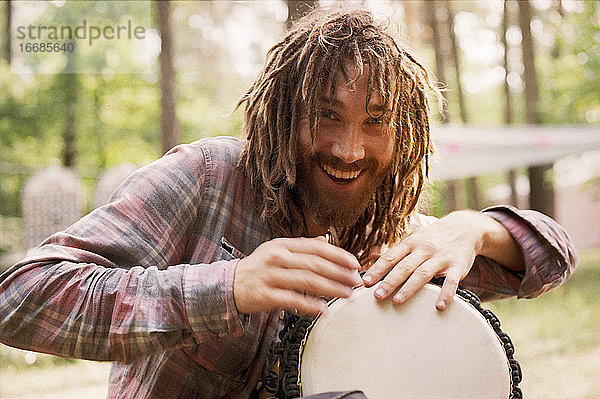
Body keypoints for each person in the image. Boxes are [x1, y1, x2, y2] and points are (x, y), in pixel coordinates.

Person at [0, 7, 577, 399]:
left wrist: (472, 230)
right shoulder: (205, 179)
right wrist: (225, 288)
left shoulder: (394, 231)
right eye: (327, 116)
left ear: (403, 137)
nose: (349, 149)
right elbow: (19, 298)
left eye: (375, 123)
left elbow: (553, 256)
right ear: (286, 113)